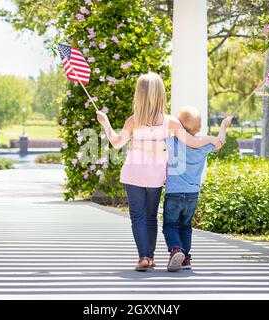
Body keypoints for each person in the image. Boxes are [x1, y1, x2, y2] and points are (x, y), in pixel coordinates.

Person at [96, 72, 223, 272]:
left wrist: (105, 122)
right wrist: (211, 139)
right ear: (161, 95)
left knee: (137, 216)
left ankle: (144, 257)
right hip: (155, 176)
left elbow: (116, 142)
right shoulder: (170, 122)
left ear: (139, 95)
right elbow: (192, 142)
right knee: (151, 216)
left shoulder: (133, 120)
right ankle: (152, 256)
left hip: (133, 174)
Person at [164, 106, 233, 271]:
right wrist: (224, 125)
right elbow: (220, 141)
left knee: (170, 225)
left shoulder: (172, 141)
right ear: (199, 127)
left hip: (173, 193)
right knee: (186, 225)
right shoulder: (203, 144)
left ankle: (176, 249)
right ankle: (186, 258)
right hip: (192, 194)